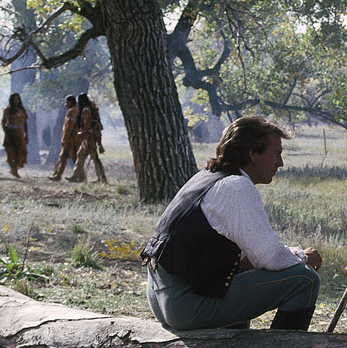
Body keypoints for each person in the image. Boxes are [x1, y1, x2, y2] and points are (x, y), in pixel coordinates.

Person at [141, 115, 322, 332]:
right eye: (276, 154)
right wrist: (303, 257)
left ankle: (234, 346)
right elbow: (270, 257)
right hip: (185, 306)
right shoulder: (236, 186)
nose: (280, 163)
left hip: (163, 300)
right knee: (305, 279)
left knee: (241, 268)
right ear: (253, 153)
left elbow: (247, 258)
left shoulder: (207, 177)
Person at [68, 93, 107, 184]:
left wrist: (82, 133)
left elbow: (87, 125)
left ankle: (102, 178)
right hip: (89, 137)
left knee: (94, 158)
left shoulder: (85, 111)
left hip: (89, 138)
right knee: (80, 155)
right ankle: (76, 175)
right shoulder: (91, 108)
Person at [49, 95, 79, 181]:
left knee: (74, 157)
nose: (65, 104)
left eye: (66, 102)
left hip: (70, 139)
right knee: (63, 157)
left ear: (70, 102)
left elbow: (70, 126)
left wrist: (65, 138)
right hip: (71, 138)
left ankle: (81, 176)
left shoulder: (72, 111)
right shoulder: (75, 110)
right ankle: (57, 175)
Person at [1, 93, 28, 178]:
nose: (16, 101)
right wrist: (6, 132)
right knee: (12, 151)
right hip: (11, 132)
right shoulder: (8, 110)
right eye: (14, 99)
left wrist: (26, 134)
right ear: (11, 100)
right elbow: (3, 122)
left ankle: (15, 167)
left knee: (22, 151)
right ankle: (14, 169)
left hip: (20, 132)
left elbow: (25, 123)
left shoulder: (22, 110)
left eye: (17, 99)